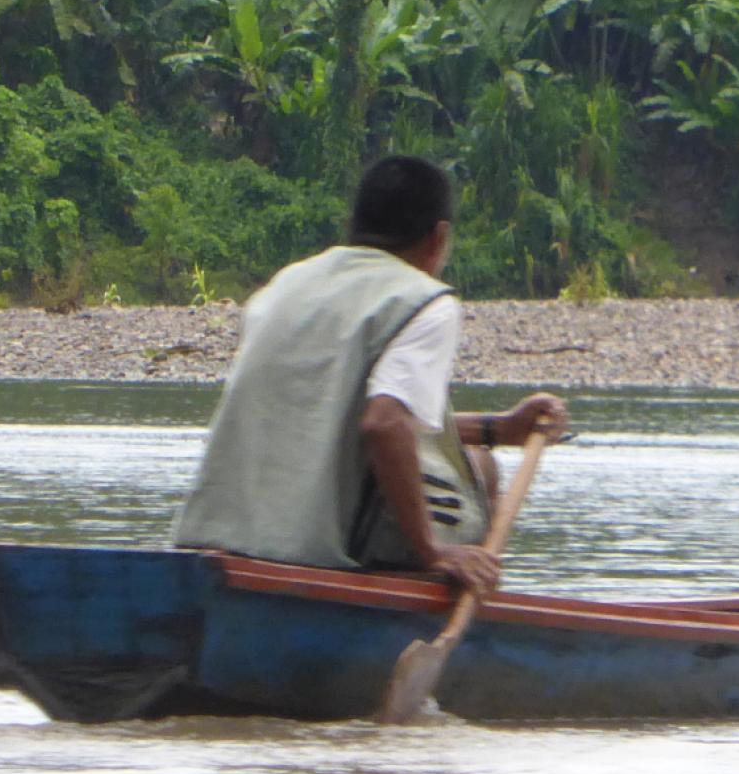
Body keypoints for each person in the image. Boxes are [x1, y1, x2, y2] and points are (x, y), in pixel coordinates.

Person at [173, 155, 569, 594]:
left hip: (214, 538)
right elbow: (383, 425)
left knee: (471, 448)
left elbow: (337, 417)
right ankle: (447, 596)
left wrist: (498, 428)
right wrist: (432, 551)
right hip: (316, 550)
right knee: (480, 466)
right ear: (438, 239)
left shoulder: (285, 284)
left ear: (354, 225)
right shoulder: (423, 299)